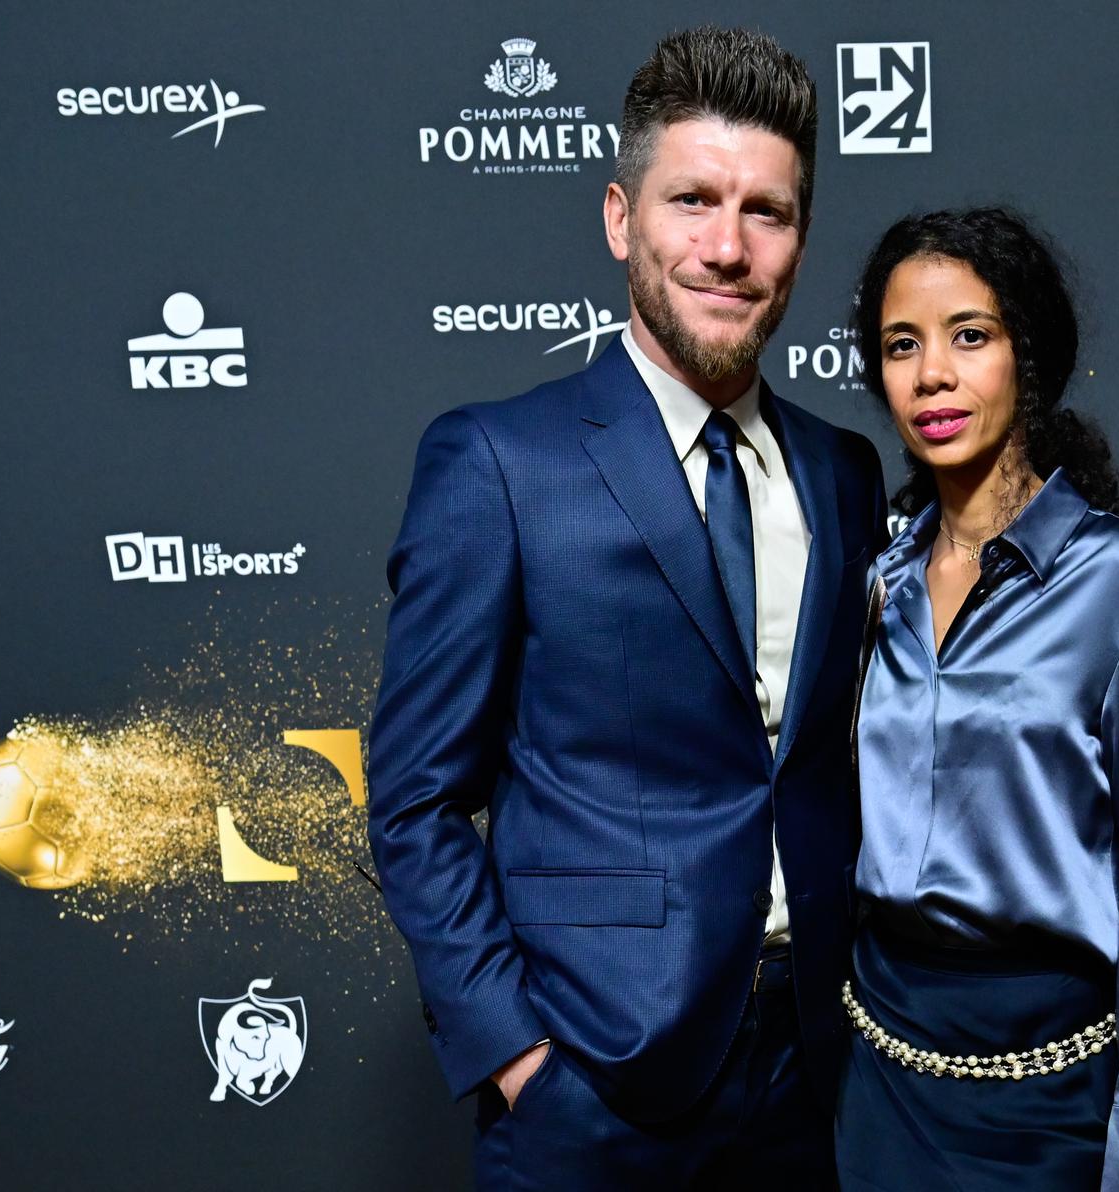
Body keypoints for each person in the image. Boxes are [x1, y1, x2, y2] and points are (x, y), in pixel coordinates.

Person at [367, 27, 886, 1190]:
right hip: (591, 1083)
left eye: (769, 211)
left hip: (815, 1073)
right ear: (619, 219)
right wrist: (516, 1055)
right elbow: (413, 798)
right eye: (692, 200)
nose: (728, 246)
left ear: (801, 238)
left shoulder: (845, 471)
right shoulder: (498, 460)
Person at [835, 208, 1119, 1191]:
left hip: (1052, 1096)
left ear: (1027, 356)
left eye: (971, 335)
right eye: (900, 345)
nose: (933, 376)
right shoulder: (876, 577)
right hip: (880, 1077)